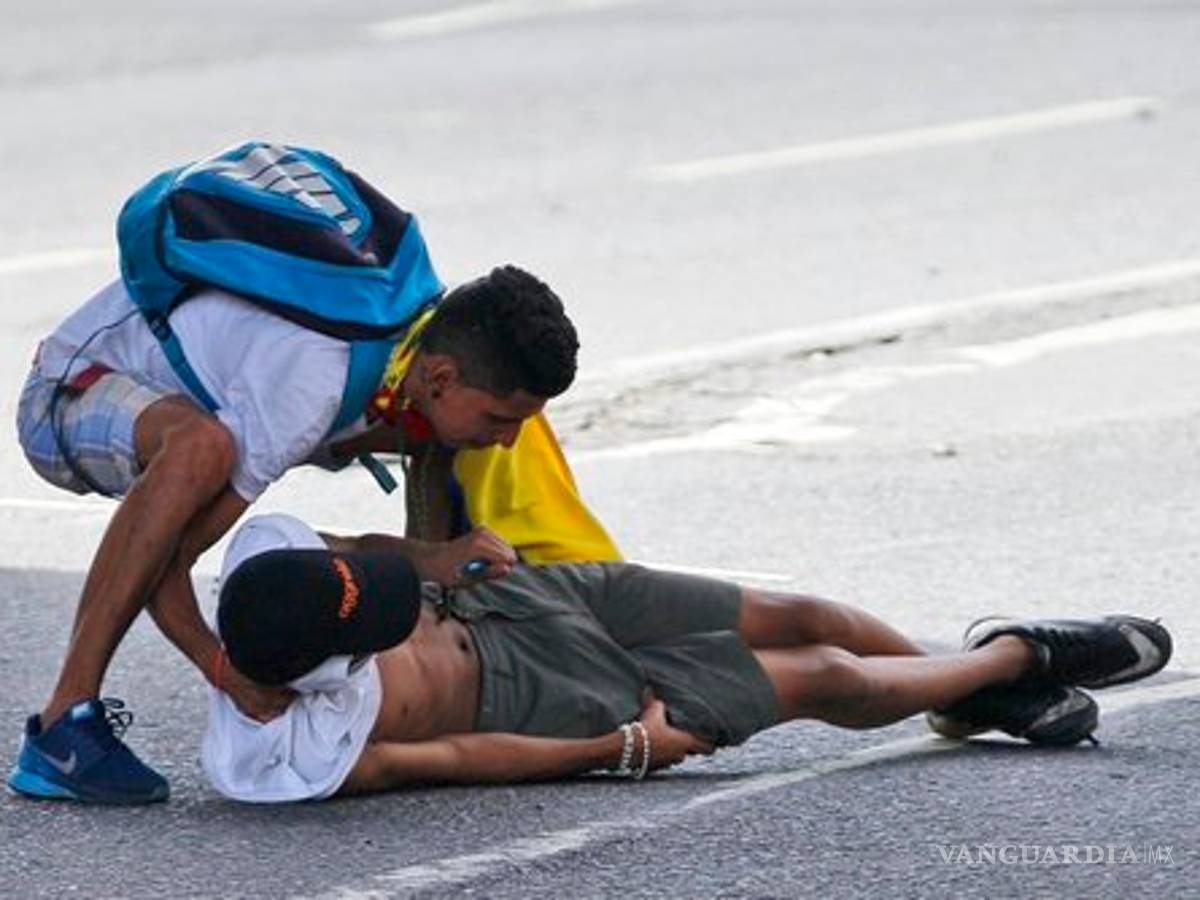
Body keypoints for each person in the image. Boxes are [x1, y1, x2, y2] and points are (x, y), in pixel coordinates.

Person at [8, 262, 618, 806]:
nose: (509, 437)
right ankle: (65, 724)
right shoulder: (313, 380)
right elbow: (169, 559)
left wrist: (439, 576)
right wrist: (221, 668)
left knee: (454, 436)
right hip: (71, 389)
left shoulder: (421, 339)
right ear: (437, 376)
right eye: (499, 419)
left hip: (207, 394)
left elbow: (443, 450)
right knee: (201, 451)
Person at [197, 514, 1171, 802]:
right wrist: (623, 748)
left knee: (799, 610)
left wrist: (437, 560)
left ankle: (960, 689)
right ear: (326, 672)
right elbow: (454, 759)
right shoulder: (315, 750)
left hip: (512, 597)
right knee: (824, 679)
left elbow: (363, 546)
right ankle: (1014, 657)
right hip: (551, 694)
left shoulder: (270, 583)